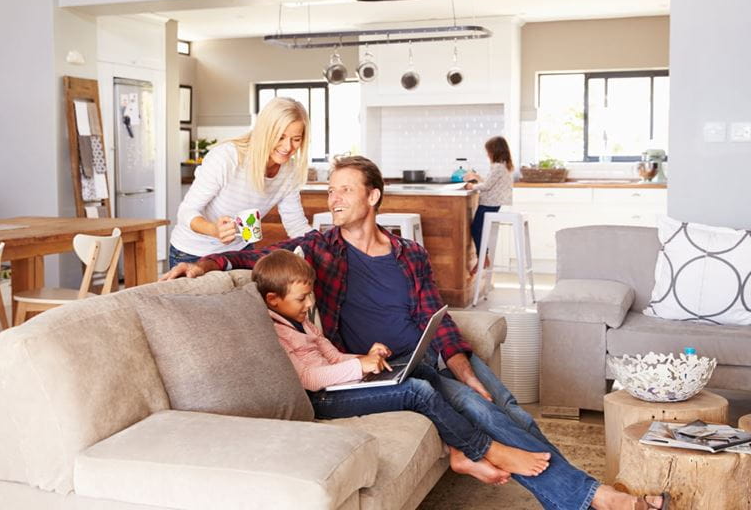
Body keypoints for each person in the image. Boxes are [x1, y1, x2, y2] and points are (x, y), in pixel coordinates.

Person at [161, 156, 668, 510]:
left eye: (343, 189)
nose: (332, 197)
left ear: (372, 196)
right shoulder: (321, 248)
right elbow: (260, 257)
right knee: (480, 412)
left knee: (501, 403)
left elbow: (437, 319)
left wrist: (465, 369)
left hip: (420, 354)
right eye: (330, 188)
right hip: (379, 366)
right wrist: (205, 261)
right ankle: (598, 498)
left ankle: (584, 497)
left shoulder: (410, 255)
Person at [252, 249, 553, 485]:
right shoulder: (277, 331)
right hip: (323, 399)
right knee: (417, 392)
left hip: (339, 385)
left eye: (310, 296)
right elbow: (308, 378)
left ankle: (458, 451)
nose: (309, 304)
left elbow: (331, 358)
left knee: (420, 369)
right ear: (273, 300)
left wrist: (362, 358)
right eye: (302, 298)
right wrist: (360, 369)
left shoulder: (301, 321)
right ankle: (481, 450)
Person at [168, 97, 313, 268]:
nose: (288, 147)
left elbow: (295, 223)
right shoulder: (227, 157)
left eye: (296, 139)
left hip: (240, 252)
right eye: (280, 137)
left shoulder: (290, 170)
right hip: (193, 253)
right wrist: (214, 230)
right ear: (265, 132)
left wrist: (323, 244)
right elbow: (186, 211)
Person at [464, 135, 514, 274]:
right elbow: (490, 182)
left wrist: (471, 186)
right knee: (479, 229)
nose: (487, 154)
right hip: (494, 203)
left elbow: (486, 186)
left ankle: (483, 258)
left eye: (488, 151)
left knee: (476, 229)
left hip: (489, 203)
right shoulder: (503, 166)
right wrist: (477, 178)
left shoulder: (497, 167)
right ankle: (483, 257)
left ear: (494, 151)